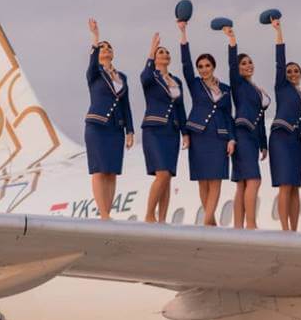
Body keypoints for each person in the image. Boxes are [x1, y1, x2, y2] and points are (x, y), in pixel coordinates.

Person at [178, 20, 235, 226]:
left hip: (218, 136)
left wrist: (232, 139)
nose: (203, 69)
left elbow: (229, 115)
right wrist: (183, 34)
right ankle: (210, 219)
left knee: (216, 179)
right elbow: (185, 65)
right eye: (200, 67)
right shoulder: (195, 85)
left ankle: (209, 218)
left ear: (213, 66)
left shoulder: (226, 89)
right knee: (203, 180)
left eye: (207, 66)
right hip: (199, 135)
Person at [83, 18, 134, 220]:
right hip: (97, 126)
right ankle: (103, 213)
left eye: (108, 48)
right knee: (99, 170)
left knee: (112, 171)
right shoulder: (95, 74)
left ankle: (108, 210)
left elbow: (125, 104)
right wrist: (96, 37)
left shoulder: (121, 77)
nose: (105, 50)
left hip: (115, 128)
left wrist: (129, 130)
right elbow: (92, 64)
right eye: (102, 48)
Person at [140, 32, 189, 223]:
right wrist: (152, 51)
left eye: (167, 53)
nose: (165, 55)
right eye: (161, 52)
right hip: (154, 129)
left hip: (172, 131)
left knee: (168, 176)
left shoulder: (176, 81)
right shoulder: (151, 77)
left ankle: (163, 218)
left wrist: (185, 132)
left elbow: (181, 107)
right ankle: (149, 214)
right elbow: (144, 77)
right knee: (161, 174)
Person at [268, 19, 301, 231]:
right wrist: (279, 33)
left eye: (296, 71)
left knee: (295, 186)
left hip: (296, 141)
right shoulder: (282, 88)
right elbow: (279, 61)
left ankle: (294, 227)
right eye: (289, 71)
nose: (293, 73)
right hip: (281, 138)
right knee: (285, 185)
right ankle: (284, 227)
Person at [224, 25, 269, 229]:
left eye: (250, 63)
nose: (248, 65)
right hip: (242, 134)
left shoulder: (255, 88)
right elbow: (232, 67)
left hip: (253, 136)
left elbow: (260, 117)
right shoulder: (239, 84)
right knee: (253, 179)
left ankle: (239, 226)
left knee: (243, 182)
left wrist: (263, 143)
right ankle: (250, 223)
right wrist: (232, 41)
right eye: (244, 63)